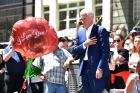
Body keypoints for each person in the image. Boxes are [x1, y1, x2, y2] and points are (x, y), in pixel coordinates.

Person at [72, 9, 110, 93]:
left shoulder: (100, 30)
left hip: (96, 68)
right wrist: (84, 44)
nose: (82, 21)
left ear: (91, 17)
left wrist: (100, 68)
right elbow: (73, 50)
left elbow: (105, 52)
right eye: (81, 19)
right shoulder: (80, 33)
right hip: (84, 68)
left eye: (84, 19)